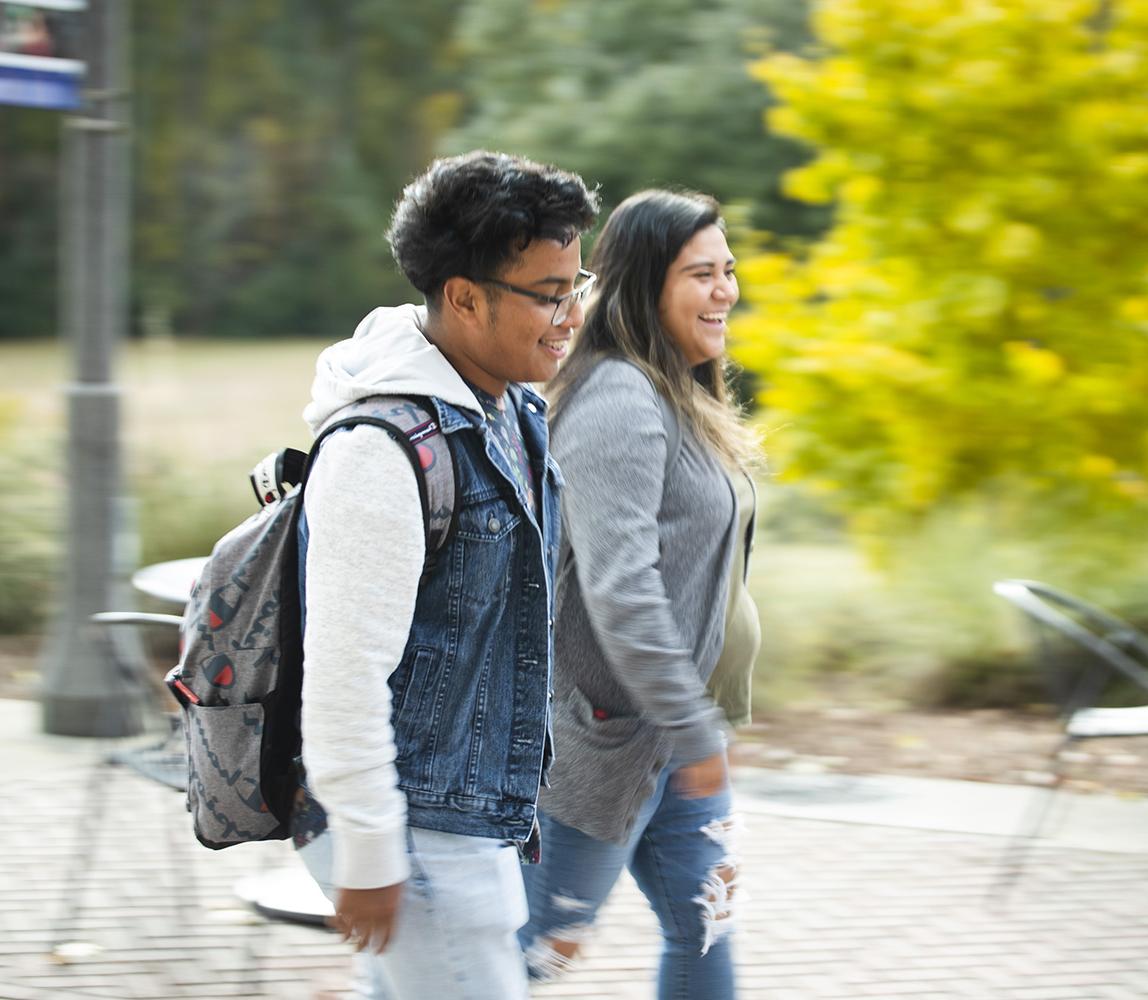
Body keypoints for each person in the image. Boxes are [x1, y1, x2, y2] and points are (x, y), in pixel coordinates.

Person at [295, 150, 599, 999]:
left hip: (467, 823)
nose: (570, 314)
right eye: (548, 293)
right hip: (415, 829)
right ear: (464, 296)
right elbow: (345, 671)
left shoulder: (508, 411)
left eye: (577, 285)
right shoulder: (381, 452)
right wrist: (368, 846)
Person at [519, 189, 760, 999]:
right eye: (701, 273)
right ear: (646, 282)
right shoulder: (619, 397)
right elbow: (621, 587)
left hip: (676, 742)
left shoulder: (676, 393)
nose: (726, 289)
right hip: (607, 744)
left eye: (728, 270)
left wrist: (697, 727)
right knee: (527, 957)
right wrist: (693, 727)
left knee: (704, 931)